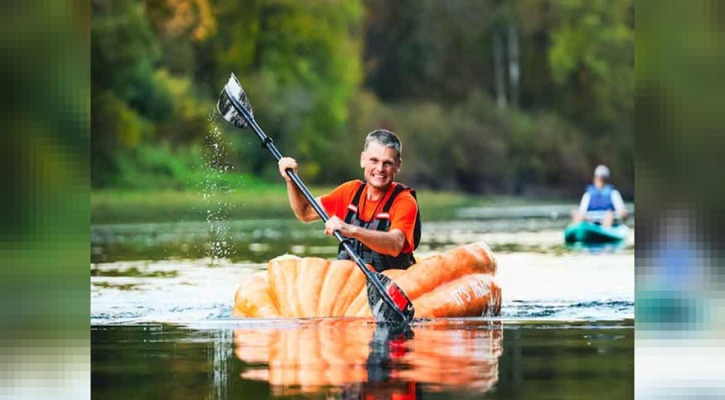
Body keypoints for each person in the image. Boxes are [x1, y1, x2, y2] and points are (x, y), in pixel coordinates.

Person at [278, 129, 421, 272]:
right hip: (351, 283)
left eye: (387, 163)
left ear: (398, 165)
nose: (380, 169)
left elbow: (396, 244)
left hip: (391, 283)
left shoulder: (404, 201)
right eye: (374, 160)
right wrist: (291, 181)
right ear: (363, 159)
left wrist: (351, 230)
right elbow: (305, 212)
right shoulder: (350, 192)